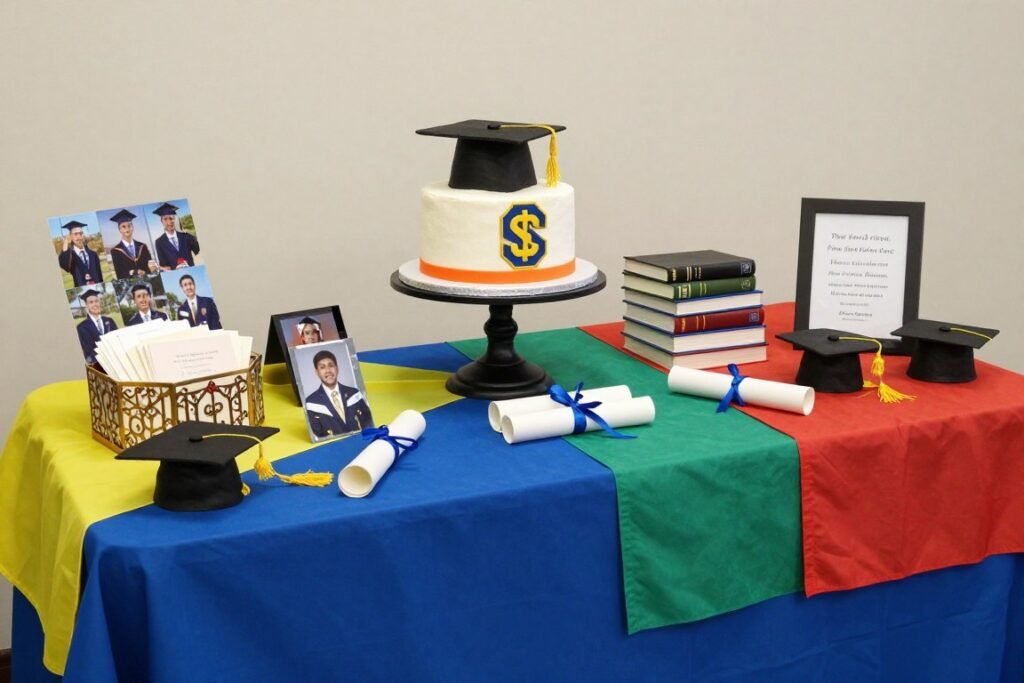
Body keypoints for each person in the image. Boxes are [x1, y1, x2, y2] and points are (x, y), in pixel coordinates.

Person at [303, 349, 372, 439]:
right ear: (317, 372)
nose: (328, 370)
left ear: (337, 368)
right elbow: (317, 434)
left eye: (331, 365)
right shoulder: (311, 403)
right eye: (322, 367)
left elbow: (368, 420)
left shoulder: (354, 394)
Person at [108, 209, 156, 279]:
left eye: (129, 226)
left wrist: (149, 270)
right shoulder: (115, 251)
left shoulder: (142, 246)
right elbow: (119, 273)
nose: (127, 229)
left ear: (132, 228)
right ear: (119, 230)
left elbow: (150, 266)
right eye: (123, 227)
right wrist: (133, 272)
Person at [152, 203, 200, 270]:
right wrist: (175, 268)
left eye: (171, 218)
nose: (169, 222)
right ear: (161, 221)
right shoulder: (159, 242)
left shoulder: (186, 236)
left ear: (175, 220)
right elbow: (164, 265)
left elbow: (197, 250)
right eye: (165, 219)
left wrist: (191, 232)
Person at [76, 289, 118, 364]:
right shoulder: (82, 327)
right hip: (100, 364)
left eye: (96, 301)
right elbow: (89, 351)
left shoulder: (110, 321)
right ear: (86, 306)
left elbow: (117, 342)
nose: (95, 304)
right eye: (91, 302)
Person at [58, 220, 103, 287]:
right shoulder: (70, 256)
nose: (79, 237)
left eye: (81, 233)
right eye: (75, 234)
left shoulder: (93, 254)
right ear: (70, 236)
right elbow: (65, 266)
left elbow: (99, 274)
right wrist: (66, 243)